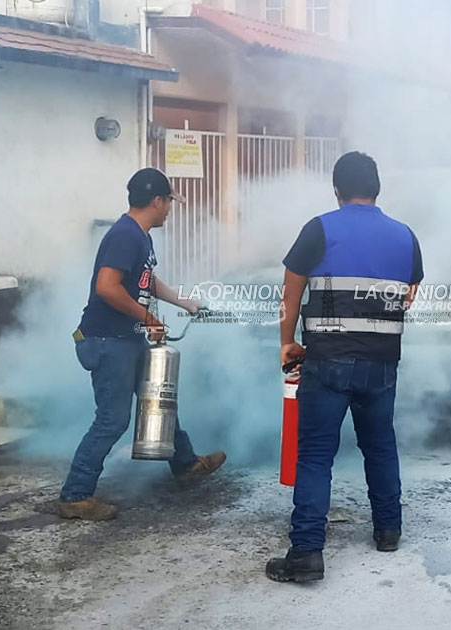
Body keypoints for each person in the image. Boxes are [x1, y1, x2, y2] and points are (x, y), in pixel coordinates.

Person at [266, 152, 423, 583]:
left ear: (336, 190)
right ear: (377, 189)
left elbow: (290, 294)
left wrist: (287, 342)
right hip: (382, 364)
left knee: (316, 456)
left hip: (328, 363)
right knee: (380, 445)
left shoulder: (319, 229)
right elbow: (408, 294)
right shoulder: (405, 236)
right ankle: (388, 530)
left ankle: (306, 553)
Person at [57, 168, 226, 521]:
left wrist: (182, 301)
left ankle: (186, 465)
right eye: (170, 203)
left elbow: (145, 280)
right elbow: (107, 287)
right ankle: (75, 495)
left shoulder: (139, 236)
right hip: (107, 341)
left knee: (157, 398)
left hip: (124, 338)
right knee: (112, 420)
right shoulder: (125, 236)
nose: (170, 210)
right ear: (157, 201)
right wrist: (148, 318)